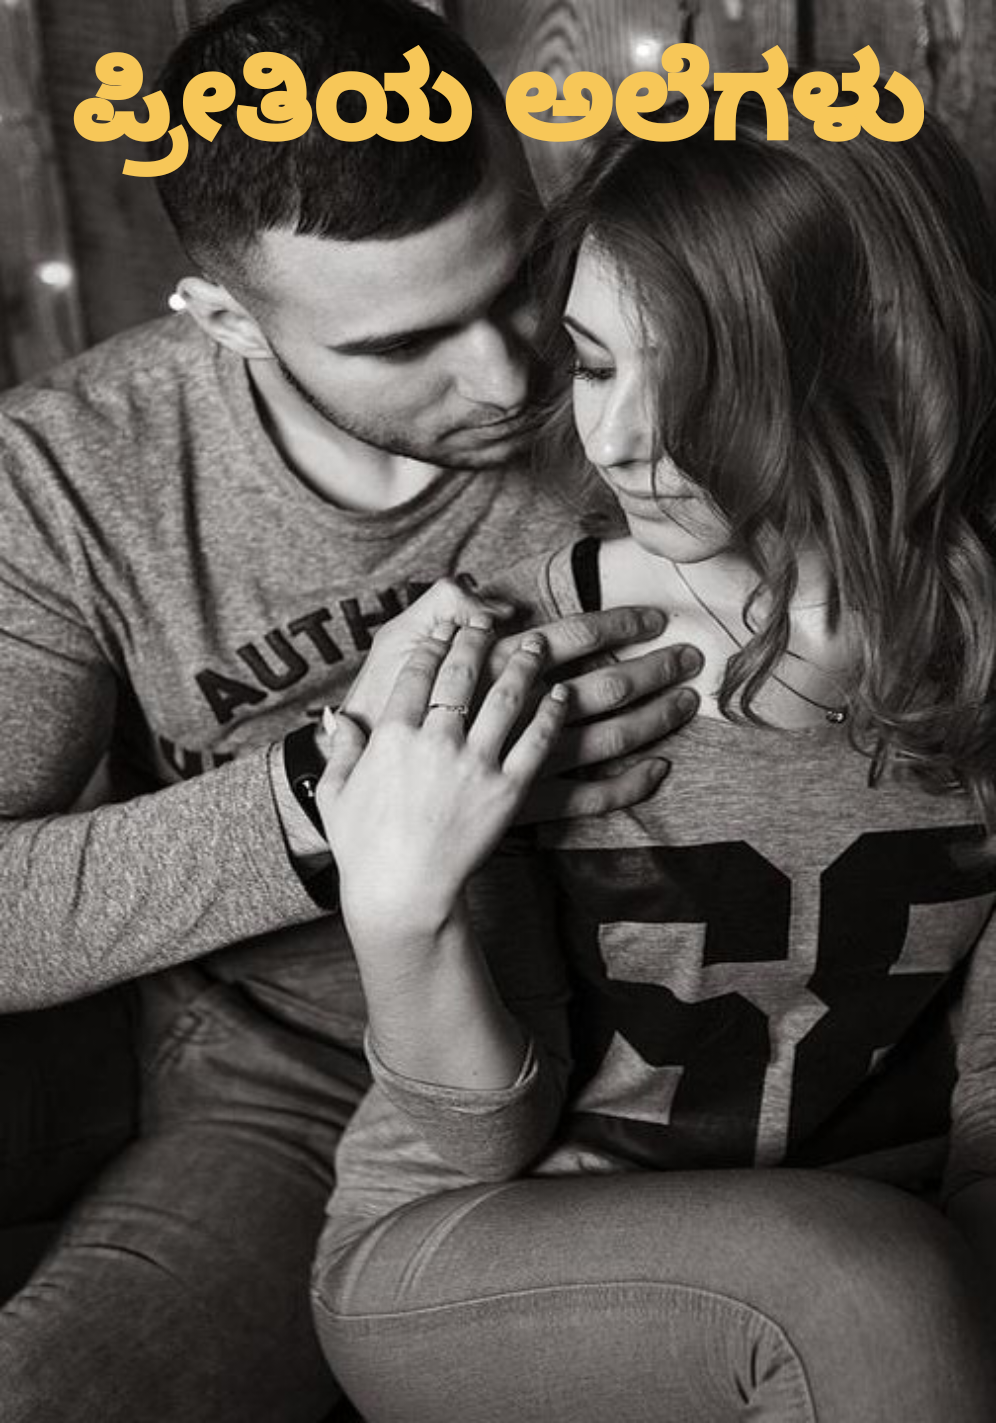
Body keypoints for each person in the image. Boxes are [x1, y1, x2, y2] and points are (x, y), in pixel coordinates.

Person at [0, 2, 703, 1419]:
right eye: (404, 344)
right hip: (301, 1077)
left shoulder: (675, 333)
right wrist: (342, 796)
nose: (509, 375)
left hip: (696, 1036)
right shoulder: (71, 477)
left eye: (520, 277)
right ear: (226, 321)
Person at [308, 91, 996, 1421]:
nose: (619, 439)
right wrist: (399, 908)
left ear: (869, 359)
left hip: (877, 1271)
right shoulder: (521, 650)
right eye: (592, 365)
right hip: (482, 1252)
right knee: (864, 1281)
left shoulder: (974, 653)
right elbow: (478, 1138)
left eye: (687, 376)